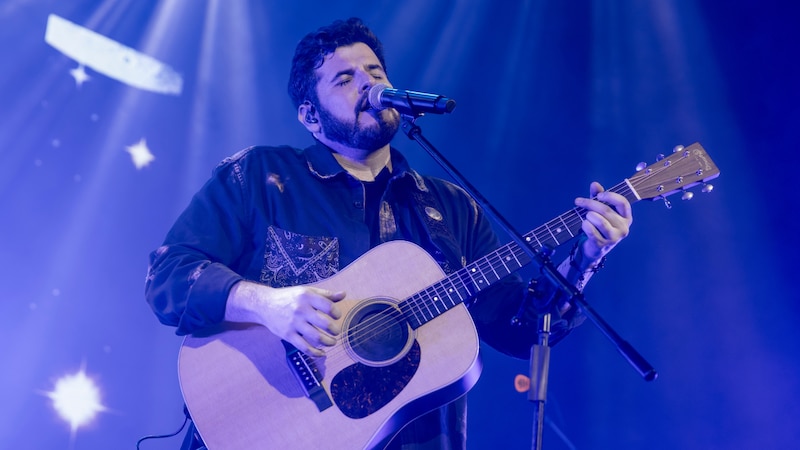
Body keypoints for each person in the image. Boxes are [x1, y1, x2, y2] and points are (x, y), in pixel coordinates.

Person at [145, 17, 632, 450]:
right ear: (310, 116)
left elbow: (519, 331)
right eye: (345, 78)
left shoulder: (450, 206)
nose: (369, 84)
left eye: (376, 74)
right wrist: (267, 304)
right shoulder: (261, 177)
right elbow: (169, 277)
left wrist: (587, 255)